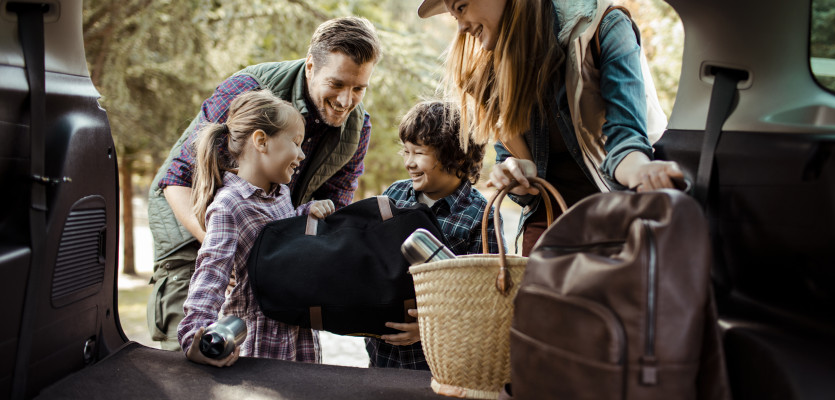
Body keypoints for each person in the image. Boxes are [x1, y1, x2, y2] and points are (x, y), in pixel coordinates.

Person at [146, 17, 381, 350]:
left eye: (359, 88)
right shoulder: (249, 87)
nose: (346, 100)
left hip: (266, 244)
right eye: (338, 84)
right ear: (311, 66)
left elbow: (332, 212)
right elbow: (177, 178)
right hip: (194, 229)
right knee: (190, 356)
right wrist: (229, 255)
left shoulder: (358, 129)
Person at [418, 0, 684, 255]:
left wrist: (642, 172)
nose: (461, 28)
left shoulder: (604, 27)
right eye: (455, 17)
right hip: (547, 229)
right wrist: (516, 175)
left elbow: (626, 139)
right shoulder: (491, 74)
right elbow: (515, 166)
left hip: (616, 221)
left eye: (462, 7)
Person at [176, 90, 335, 366]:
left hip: (298, 335)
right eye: (296, 143)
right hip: (260, 342)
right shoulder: (229, 205)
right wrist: (195, 337)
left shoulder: (280, 194)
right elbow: (211, 274)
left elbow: (278, 237)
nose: (301, 154)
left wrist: (304, 214)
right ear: (261, 141)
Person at [365, 100, 504, 370]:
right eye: (405, 151)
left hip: (438, 362)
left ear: (458, 156)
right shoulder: (394, 195)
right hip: (382, 356)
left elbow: (486, 299)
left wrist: (427, 329)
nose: (409, 162)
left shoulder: (481, 216)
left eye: (419, 153)